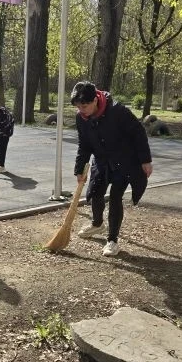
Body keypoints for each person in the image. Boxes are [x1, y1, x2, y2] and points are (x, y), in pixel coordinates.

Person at [71, 81, 152, 257]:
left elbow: (138, 133)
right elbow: (84, 144)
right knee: (95, 193)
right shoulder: (81, 118)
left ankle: (112, 240)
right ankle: (97, 223)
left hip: (124, 161)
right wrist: (79, 169)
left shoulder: (117, 111)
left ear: (95, 100)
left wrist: (145, 160)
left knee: (116, 197)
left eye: (84, 106)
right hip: (102, 161)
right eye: (78, 107)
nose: (81, 110)